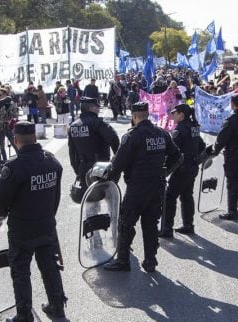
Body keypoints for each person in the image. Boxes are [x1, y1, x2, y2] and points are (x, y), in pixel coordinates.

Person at [0, 121, 67, 322]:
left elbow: (0, 205)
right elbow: (56, 197)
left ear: (16, 141)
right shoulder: (52, 162)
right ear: (35, 138)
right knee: (49, 265)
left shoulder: (14, 167)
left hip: (22, 229)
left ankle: (24, 317)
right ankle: (57, 304)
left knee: (20, 271)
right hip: (45, 223)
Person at [104, 102, 182, 273]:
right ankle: (150, 261)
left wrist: (107, 179)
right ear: (147, 114)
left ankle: (123, 260)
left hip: (137, 188)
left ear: (134, 116)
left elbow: (117, 164)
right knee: (150, 224)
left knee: (125, 223)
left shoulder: (132, 136)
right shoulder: (162, 133)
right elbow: (177, 157)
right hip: (157, 186)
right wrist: (165, 172)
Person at [159, 104, 205, 238]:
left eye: (175, 113)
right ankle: (188, 225)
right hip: (192, 166)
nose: (173, 116)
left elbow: (171, 149)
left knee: (170, 196)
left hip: (182, 168)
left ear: (182, 115)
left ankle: (167, 228)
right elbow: (201, 145)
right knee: (187, 195)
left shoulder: (180, 129)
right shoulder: (194, 127)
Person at [211, 94, 238, 220]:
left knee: (233, 183)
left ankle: (232, 211)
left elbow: (222, 139)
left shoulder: (232, 120)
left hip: (233, 155)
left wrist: (215, 150)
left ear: (233, 103)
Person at [67, 96, 119, 188]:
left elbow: (72, 152)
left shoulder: (73, 126)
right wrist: (117, 161)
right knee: (103, 195)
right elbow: (113, 138)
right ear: (90, 108)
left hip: (82, 168)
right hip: (100, 167)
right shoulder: (97, 123)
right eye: (97, 107)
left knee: (87, 197)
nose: (98, 110)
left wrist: (77, 171)